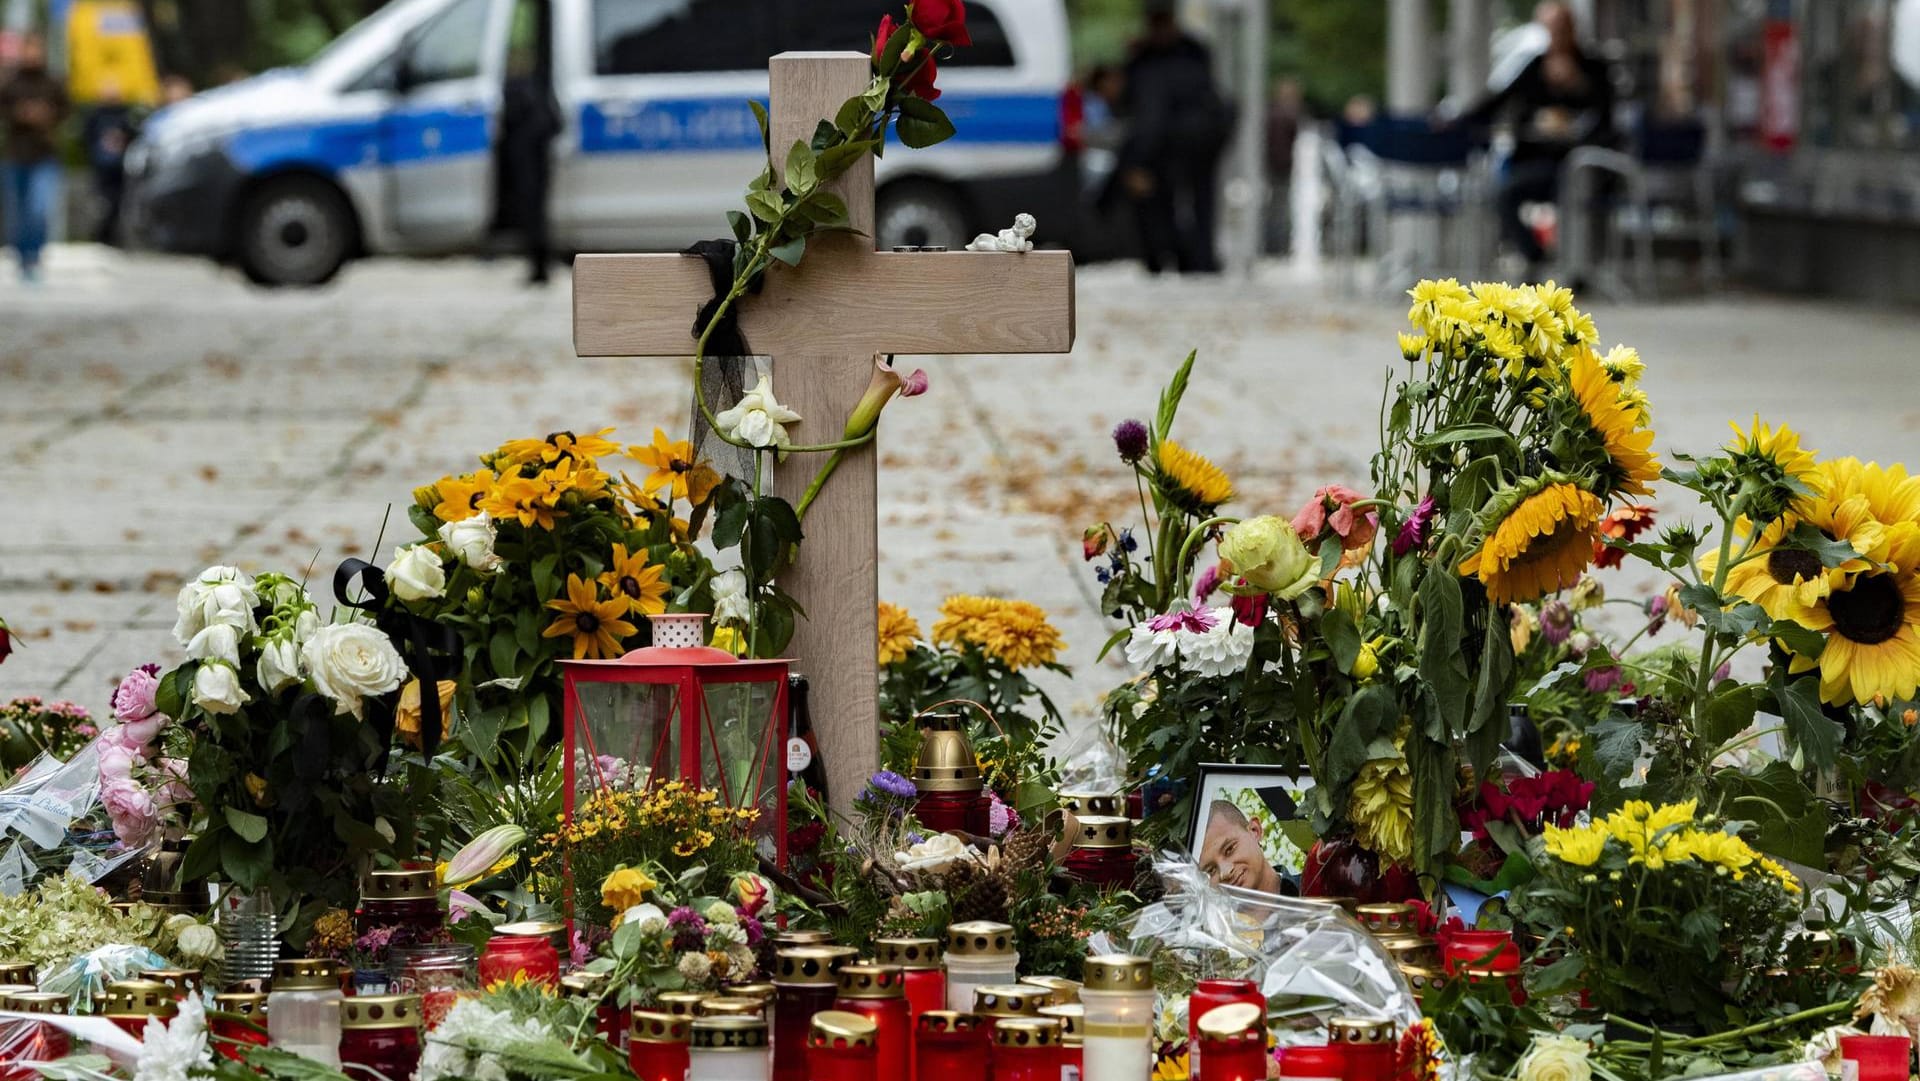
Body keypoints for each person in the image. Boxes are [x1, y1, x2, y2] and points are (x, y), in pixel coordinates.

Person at [1454, 2, 1615, 274]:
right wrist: (1458, 120)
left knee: (1579, 193)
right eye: (1549, 28)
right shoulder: (1536, 65)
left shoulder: (1593, 67)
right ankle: (1535, 256)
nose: (1555, 34)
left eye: (1560, 28)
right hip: (1535, 158)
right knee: (1502, 192)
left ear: (1572, 29)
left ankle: (1580, 267)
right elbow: (1499, 99)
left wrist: (1578, 85)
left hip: (1578, 161)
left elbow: (1606, 116)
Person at [1120, 0, 1233, 274]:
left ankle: (1191, 258)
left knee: (1186, 201)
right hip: (1185, 140)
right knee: (1183, 201)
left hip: (1186, 141)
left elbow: (1150, 114)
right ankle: (1190, 258)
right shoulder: (1185, 54)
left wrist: (1138, 160)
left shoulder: (1155, 61)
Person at [1, 34, 70, 282]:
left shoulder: (52, 82)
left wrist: (46, 115)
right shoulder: (11, 83)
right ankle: (22, 257)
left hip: (45, 155)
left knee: (39, 209)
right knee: (18, 211)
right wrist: (20, 114)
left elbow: (66, 111)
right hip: (16, 154)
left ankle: (34, 255)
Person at [82, 82, 136, 245]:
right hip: (102, 168)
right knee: (103, 204)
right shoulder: (94, 116)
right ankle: (101, 236)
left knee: (121, 203)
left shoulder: (127, 115)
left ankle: (115, 237)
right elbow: (87, 139)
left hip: (122, 168)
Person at [1198, 799, 1287, 895]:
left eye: (1229, 849)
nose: (1225, 872)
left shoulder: (1305, 889)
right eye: (1211, 870)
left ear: (1254, 831)